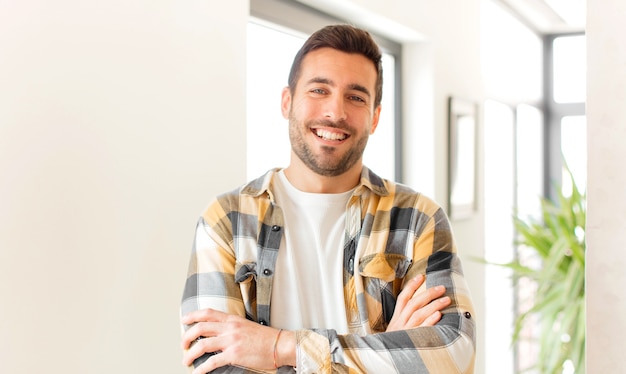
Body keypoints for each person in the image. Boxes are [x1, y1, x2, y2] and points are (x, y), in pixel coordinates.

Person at [180, 24, 476, 373]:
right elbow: (214, 367)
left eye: (356, 97)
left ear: (375, 117)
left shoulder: (418, 219)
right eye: (320, 90)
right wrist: (387, 353)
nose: (335, 113)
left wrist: (280, 347)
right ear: (287, 102)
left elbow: (453, 353)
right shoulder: (226, 220)